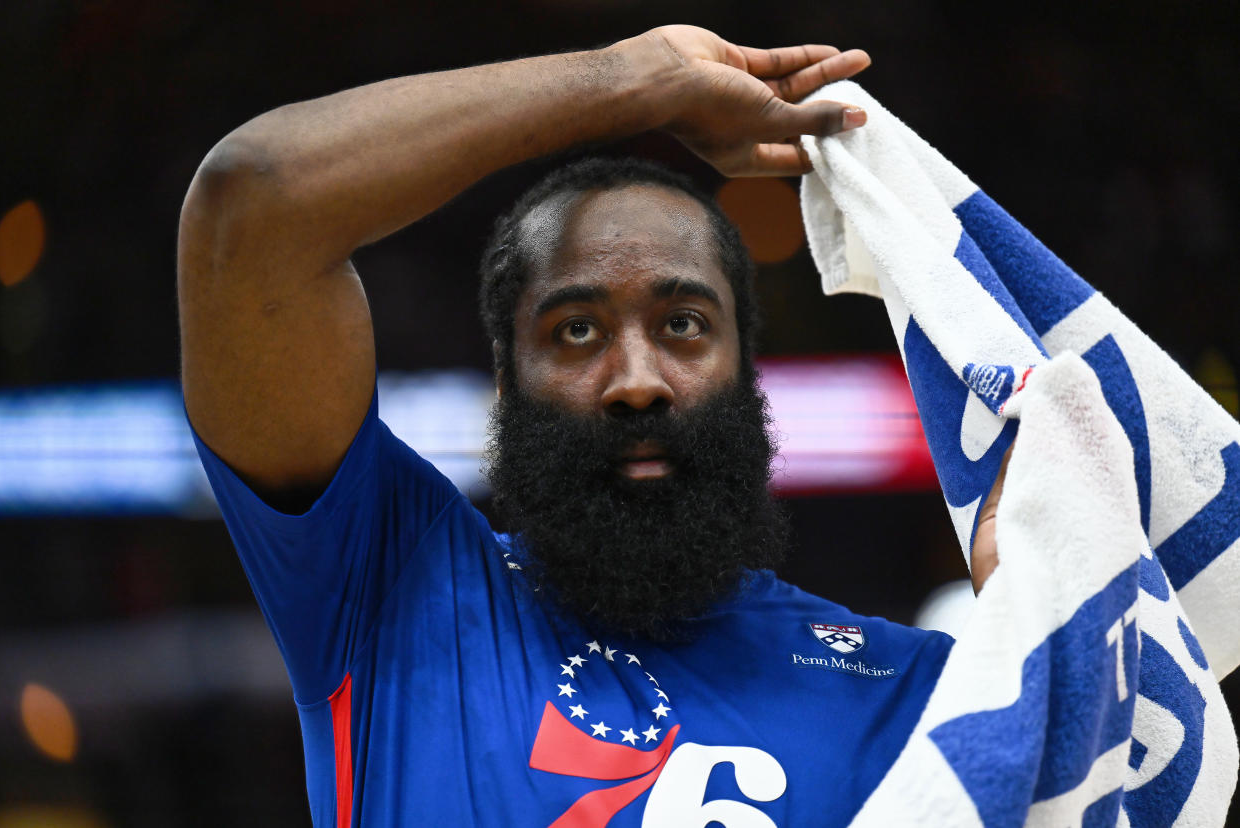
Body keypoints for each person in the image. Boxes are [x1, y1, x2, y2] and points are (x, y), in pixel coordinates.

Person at [179, 24, 1001, 827]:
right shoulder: (392, 587)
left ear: (744, 371)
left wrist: (1051, 659)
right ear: (507, 386)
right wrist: (629, 80)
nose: (637, 383)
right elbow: (251, 204)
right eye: (576, 330)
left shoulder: (923, 693)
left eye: (682, 325)